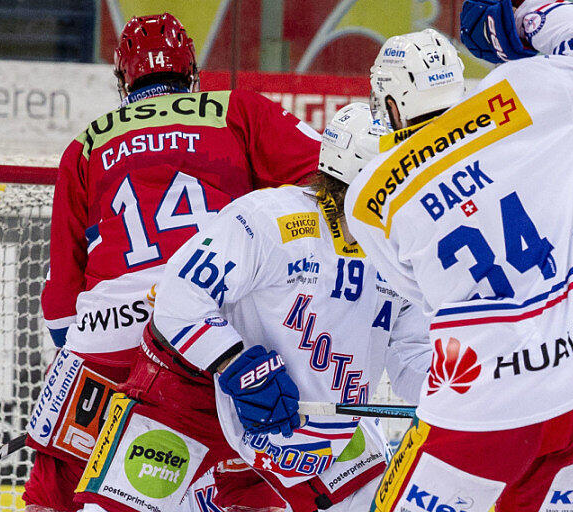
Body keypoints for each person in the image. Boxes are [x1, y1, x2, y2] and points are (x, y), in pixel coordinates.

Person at [24, 12, 321, 512]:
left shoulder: (87, 144)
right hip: (209, 327)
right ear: (192, 74)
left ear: (123, 80)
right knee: (247, 485)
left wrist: (72, 365)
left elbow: (60, 295)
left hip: (107, 335)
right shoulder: (235, 110)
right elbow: (327, 176)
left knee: (52, 489)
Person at [74, 103, 432, 512]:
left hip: (305, 428)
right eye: (394, 185)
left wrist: (462, 390)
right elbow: (177, 298)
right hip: (189, 396)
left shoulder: (407, 253)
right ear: (357, 183)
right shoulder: (269, 220)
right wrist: (237, 365)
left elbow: (411, 359)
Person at [345, 1, 573, 509]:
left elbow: (418, 289)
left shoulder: (368, 196)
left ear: (391, 107)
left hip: (480, 409)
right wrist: (522, 21)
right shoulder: (523, 95)